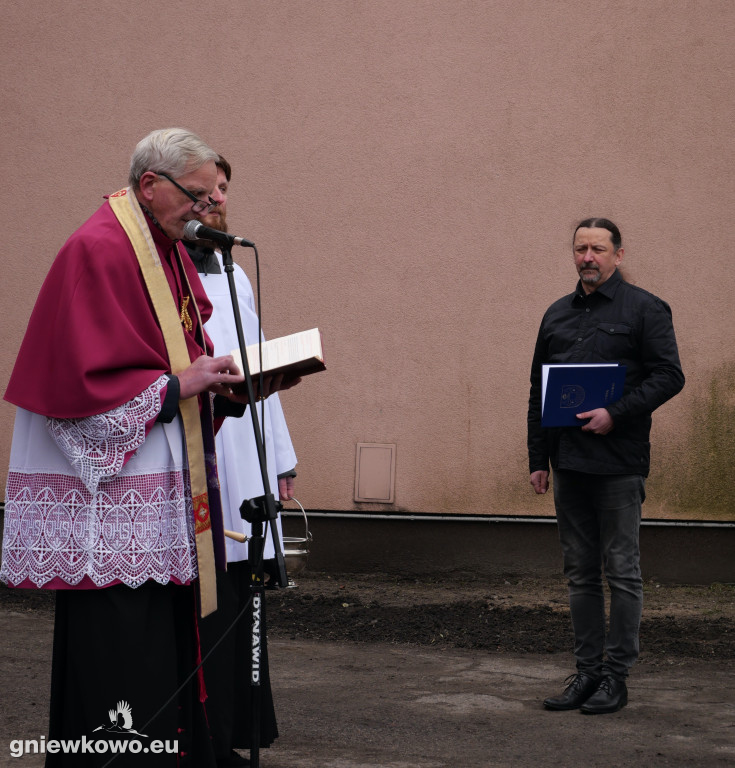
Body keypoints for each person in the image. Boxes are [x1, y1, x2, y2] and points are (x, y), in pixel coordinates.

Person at [0, 128, 294, 766]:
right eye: (197, 194)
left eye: (213, 195)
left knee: (166, 644)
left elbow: (180, 368)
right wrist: (181, 385)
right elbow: (82, 391)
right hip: (110, 511)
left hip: (162, 498)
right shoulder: (99, 249)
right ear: (150, 185)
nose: (208, 206)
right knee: (123, 653)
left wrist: (232, 392)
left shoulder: (164, 247)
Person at [527, 218, 684, 715]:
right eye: (580, 249)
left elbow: (670, 375)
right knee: (580, 575)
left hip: (618, 464)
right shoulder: (556, 314)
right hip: (568, 464)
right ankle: (587, 674)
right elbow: (538, 391)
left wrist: (615, 412)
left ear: (618, 254)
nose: (588, 257)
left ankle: (616, 677)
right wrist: (538, 459)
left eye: (597, 248)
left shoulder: (645, 309)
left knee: (622, 572)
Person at [184, 156, 298, 766]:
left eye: (224, 189)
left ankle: (237, 725)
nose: (218, 199)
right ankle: (203, 729)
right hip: (202, 445)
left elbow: (259, 371)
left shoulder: (235, 274)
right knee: (206, 595)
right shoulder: (170, 276)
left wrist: (279, 460)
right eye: (207, 189)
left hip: (244, 448)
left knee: (240, 590)